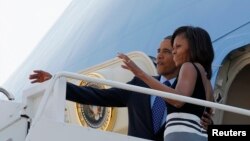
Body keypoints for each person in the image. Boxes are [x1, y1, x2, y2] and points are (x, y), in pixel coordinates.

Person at [29, 36, 212, 141]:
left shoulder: (192, 90)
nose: (160, 55)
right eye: (158, 51)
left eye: (167, 51)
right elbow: (97, 96)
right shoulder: (139, 85)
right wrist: (57, 83)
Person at [117, 26, 214, 141]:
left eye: (178, 46)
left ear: (193, 48)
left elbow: (178, 100)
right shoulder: (207, 80)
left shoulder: (188, 66)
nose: (174, 52)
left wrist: (140, 74)